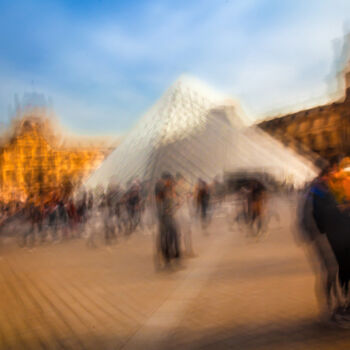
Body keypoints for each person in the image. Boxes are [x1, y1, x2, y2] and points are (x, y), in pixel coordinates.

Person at [155, 172, 181, 268]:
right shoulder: (161, 188)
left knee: (173, 235)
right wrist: (164, 212)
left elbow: (172, 202)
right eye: (170, 181)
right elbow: (159, 203)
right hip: (164, 217)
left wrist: (176, 206)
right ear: (167, 180)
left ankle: (172, 257)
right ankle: (167, 260)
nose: (172, 183)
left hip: (169, 216)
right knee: (166, 237)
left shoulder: (168, 189)